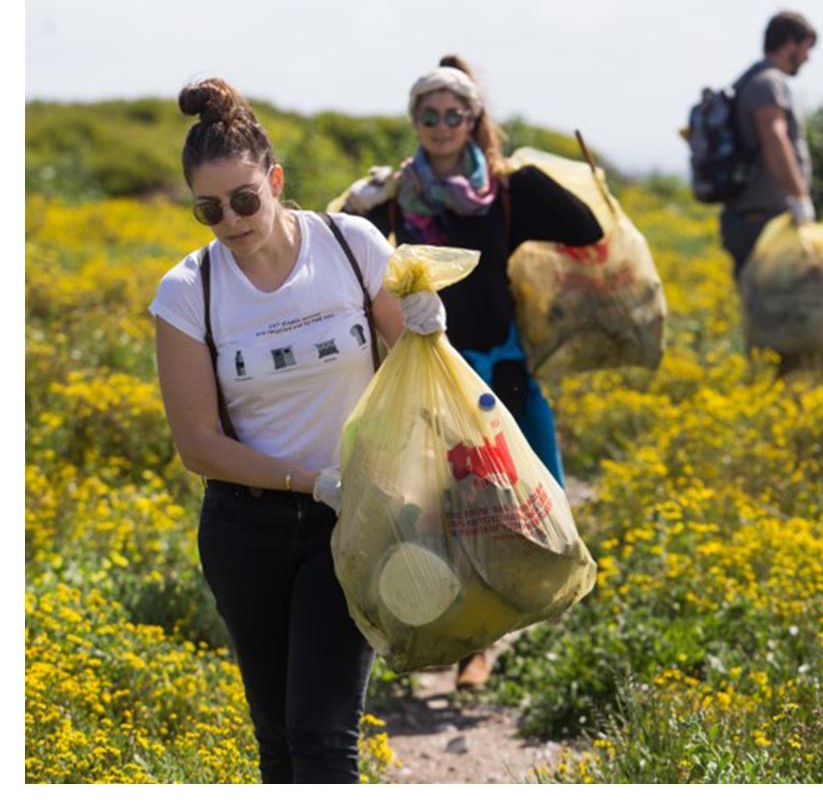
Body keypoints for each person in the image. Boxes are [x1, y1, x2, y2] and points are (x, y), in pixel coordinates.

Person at [149, 78, 444, 783]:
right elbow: (197, 445)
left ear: (275, 181)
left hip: (349, 524)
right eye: (208, 208)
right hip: (245, 529)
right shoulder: (189, 292)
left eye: (246, 198)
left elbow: (418, 362)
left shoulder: (351, 245)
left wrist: (434, 327)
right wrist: (311, 480)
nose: (231, 219)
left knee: (323, 736)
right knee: (278, 738)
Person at [332, 55, 604, 689]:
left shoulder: (504, 191)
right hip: (427, 378)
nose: (442, 124)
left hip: (501, 377)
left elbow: (583, 227)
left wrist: (527, 179)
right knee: (444, 516)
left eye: (455, 114)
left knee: (517, 513)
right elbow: (346, 253)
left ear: (473, 119)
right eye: (429, 114)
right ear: (415, 121)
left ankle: (482, 641)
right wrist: (361, 201)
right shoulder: (397, 196)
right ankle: (461, 645)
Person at [720, 10, 819, 279]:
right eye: (806, 48)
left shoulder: (749, 79)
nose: (808, 58)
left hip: (745, 216)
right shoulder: (769, 83)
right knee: (777, 311)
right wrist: (800, 198)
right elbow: (775, 139)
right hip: (762, 221)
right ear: (790, 44)